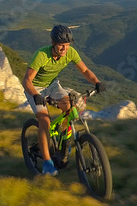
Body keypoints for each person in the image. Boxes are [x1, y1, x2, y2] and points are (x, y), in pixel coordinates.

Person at [23, 24, 102, 176]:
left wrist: (97, 83)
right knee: (44, 122)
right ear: (53, 43)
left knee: (72, 109)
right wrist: (35, 95)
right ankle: (47, 162)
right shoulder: (41, 55)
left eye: (67, 45)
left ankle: (62, 141)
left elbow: (85, 70)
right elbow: (26, 80)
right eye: (61, 45)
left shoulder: (70, 52)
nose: (64, 49)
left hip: (53, 86)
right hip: (35, 89)